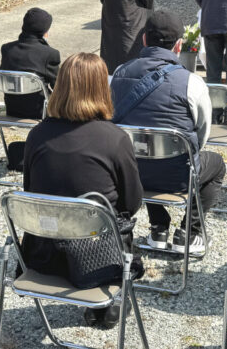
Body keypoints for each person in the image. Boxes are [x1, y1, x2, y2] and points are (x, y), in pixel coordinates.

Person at [22, 52, 143, 329]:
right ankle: (108, 300)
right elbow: (132, 203)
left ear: (61, 86)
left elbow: (30, 191)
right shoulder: (115, 139)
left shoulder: (37, 135)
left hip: (43, 255)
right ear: (103, 88)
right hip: (100, 259)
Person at [110, 10, 225, 256]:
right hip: (178, 175)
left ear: (143, 39)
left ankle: (158, 228)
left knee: (142, 148)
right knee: (215, 164)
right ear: (179, 45)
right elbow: (202, 133)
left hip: (130, 176)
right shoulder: (192, 82)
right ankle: (189, 232)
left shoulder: (119, 73)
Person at [0, 7, 61, 119]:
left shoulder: (7, 49)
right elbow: (59, 85)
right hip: (40, 111)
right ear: (44, 31)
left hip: (12, 110)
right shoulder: (49, 54)